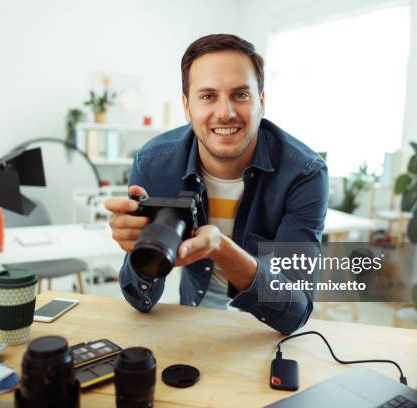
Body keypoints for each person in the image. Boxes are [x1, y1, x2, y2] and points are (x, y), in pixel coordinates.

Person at [105, 34, 328, 335]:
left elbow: (295, 311)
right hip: (194, 318)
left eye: (240, 95)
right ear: (187, 107)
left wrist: (221, 248)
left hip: (265, 329)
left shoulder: (303, 173)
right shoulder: (153, 164)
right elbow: (140, 300)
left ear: (261, 102)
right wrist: (139, 253)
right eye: (208, 96)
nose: (225, 112)